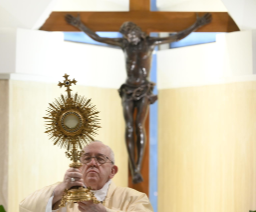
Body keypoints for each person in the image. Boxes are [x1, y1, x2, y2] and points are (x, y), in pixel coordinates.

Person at [65, 13, 212, 184]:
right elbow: (99, 38)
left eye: (132, 35)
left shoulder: (149, 43)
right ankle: (133, 166)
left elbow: (177, 36)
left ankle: (137, 167)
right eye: (127, 36)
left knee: (139, 126)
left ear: (138, 33)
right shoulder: (125, 44)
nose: (129, 38)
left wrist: (197, 25)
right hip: (128, 90)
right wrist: (79, 25)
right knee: (129, 127)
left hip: (143, 90)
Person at [19, 141, 154, 212]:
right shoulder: (63, 195)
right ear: (79, 167)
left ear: (113, 171)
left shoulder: (133, 198)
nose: (92, 163)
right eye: (86, 158)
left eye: (100, 159)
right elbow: (25, 208)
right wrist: (60, 189)